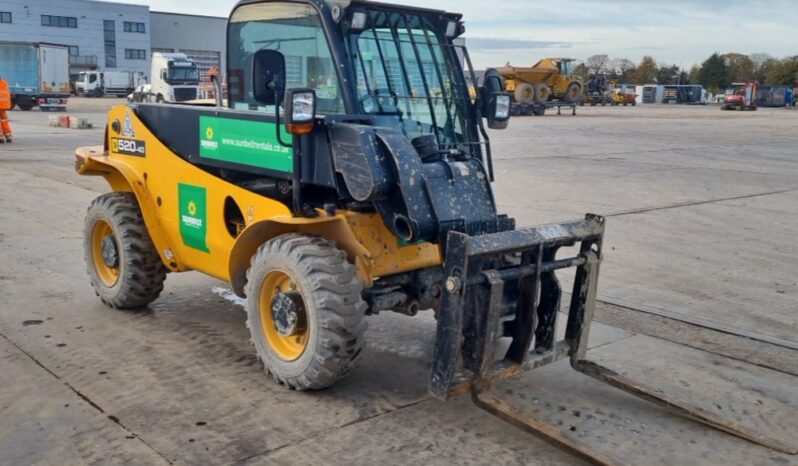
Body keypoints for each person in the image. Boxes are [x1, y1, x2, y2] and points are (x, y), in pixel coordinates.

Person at [0, 76, 12, 143]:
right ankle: (8, 136)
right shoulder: (5, 83)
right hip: (4, 105)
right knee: (4, 120)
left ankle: (0, 137)